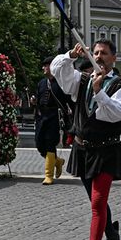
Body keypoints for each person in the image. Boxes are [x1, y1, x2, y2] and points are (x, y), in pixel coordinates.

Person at [50, 40, 121, 240]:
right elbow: (58, 71)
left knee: (98, 203)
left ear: (114, 58)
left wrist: (100, 93)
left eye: (104, 53)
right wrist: (70, 55)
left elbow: (117, 113)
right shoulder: (82, 80)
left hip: (106, 150)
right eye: (95, 53)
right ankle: (112, 234)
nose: (99, 56)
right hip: (83, 149)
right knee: (94, 200)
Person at [35, 57, 69, 185]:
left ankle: (48, 175)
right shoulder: (41, 83)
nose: (44, 68)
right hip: (42, 116)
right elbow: (38, 100)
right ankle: (58, 161)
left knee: (50, 143)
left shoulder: (60, 82)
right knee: (39, 144)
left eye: (46, 65)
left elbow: (66, 101)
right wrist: (34, 101)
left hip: (54, 116)